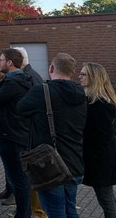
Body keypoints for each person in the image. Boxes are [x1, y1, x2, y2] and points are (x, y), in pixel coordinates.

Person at [17, 53, 87, 218]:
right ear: (72, 71)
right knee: (70, 209)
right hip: (75, 161)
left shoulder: (41, 90)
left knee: (55, 212)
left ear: (51, 68)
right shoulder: (81, 93)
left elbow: (20, 109)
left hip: (49, 165)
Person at [0, 49, 31, 218]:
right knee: (18, 178)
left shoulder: (13, 83)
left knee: (18, 180)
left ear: (9, 63)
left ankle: (23, 214)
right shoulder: (19, 80)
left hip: (11, 136)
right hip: (16, 134)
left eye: (1, 60)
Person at [79, 62, 116, 217]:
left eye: (83, 74)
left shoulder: (100, 103)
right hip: (100, 159)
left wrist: (92, 156)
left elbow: (104, 135)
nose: (79, 77)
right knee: (108, 199)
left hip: (101, 161)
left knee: (106, 200)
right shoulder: (93, 100)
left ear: (94, 78)